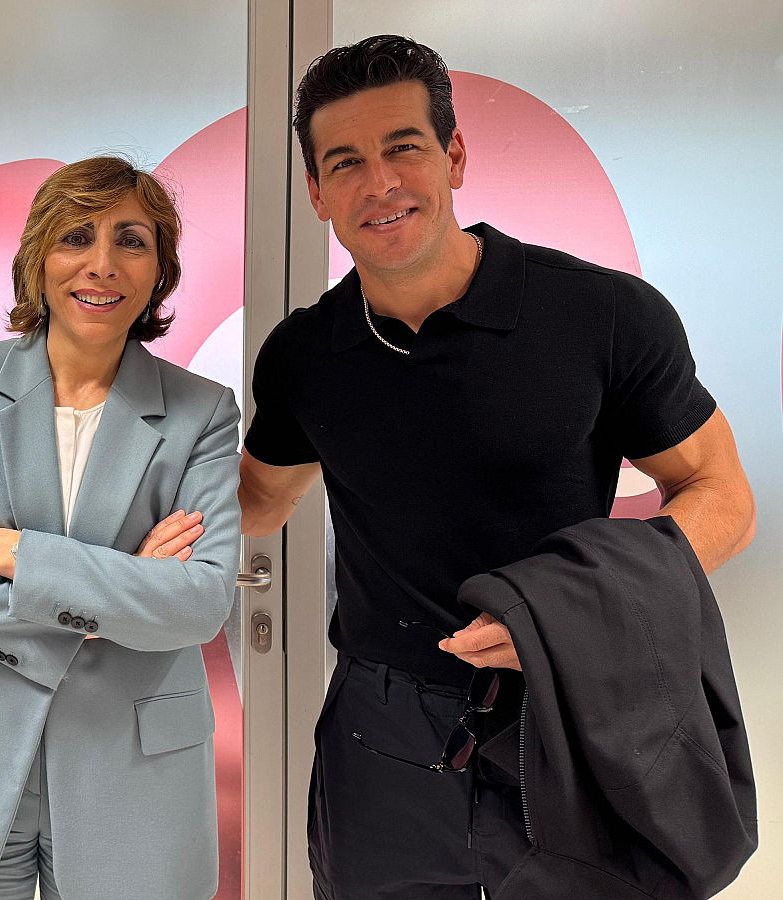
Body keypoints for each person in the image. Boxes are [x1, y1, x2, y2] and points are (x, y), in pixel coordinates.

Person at [238, 35, 755, 899]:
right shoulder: (304, 356)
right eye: (346, 162)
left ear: (454, 155)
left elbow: (722, 496)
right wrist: (89, 477)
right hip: (382, 730)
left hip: (572, 707)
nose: (381, 183)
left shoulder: (600, 314)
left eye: (404, 147)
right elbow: (257, 499)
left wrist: (566, 617)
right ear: (317, 193)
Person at [0, 156, 241, 900]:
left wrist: (12, 553)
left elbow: (199, 603)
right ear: (38, 259)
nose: (102, 265)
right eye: (77, 236)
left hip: (130, 771)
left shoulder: (204, 412)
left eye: (131, 241)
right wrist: (116, 596)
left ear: (159, 269)